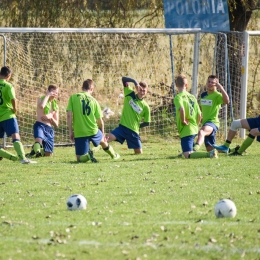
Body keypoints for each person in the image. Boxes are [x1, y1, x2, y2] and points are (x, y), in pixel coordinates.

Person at [66, 79, 119, 163]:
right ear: (92, 89)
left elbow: (69, 115)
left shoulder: (73, 97)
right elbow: (100, 121)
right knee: (103, 140)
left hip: (79, 132)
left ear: (82, 88)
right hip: (93, 130)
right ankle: (113, 155)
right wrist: (103, 133)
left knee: (79, 159)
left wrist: (70, 131)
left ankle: (87, 156)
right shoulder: (94, 101)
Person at [174, 74, 218, 159]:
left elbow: (182, 109)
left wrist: (183, 120)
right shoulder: (192, 97)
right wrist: (196, 124)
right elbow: (199, 114)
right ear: (186, 85)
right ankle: (188, 150)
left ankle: (210, 154)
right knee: (188, 149)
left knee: (187, 155)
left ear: (176, 85)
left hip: (187, 129)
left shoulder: (178, 97)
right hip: (194, 127)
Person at [105, 76, 151, 154]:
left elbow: (147, 122)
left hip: (133, 131)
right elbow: (123, 79)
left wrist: (138, 126)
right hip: (122, 128)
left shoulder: (146, 106)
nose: (142, 92)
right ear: (137, 89)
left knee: (139, 153)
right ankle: (92, 151)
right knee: (106, 139)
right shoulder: (129, 93)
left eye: (144, 91)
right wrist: (135, 82)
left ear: (147, 92)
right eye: (140, 90)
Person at [0, 66, 36, 164]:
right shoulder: (8, 86)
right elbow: (13, 99)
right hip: (8, 115)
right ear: (9, 75)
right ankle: (22, 158)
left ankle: (11, 157)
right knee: (15, 135)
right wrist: (15, 109)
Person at [193, 75, 230, 152]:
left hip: (213, 123)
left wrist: (221, 88)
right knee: (210, 149)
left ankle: (195, 148)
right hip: (205, 123)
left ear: (216, 84)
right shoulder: (203, 95)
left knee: (201, 132)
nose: (210, 84)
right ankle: (229, 150)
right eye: (209, 82)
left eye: (212, 82)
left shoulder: (217, 95)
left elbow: (227, 101)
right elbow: (200, 109)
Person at [26, 84, 59, 158]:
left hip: (49, 129)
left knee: (48, 155)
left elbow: (56, 124)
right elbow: (42, 106)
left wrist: (51, 117)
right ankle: (37, 151)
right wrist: (47, 95)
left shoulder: (55, 106)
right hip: (40, 125)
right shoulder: (41, 99)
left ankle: (34, 151)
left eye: (56, 93)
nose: (55, 95)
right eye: (53, 92)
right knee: (38, 142)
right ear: (48, 92)